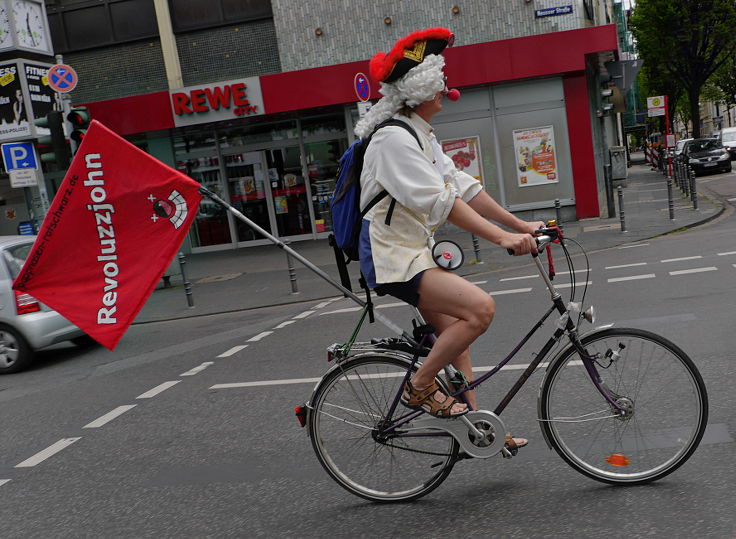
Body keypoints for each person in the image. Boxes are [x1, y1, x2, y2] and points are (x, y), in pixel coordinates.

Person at [355, 28, 543, 451]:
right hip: (391, 257)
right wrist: (501, 238)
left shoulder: (421, 133)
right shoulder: (391, 139)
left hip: (413, 252)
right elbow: (442, 201)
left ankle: (477, 432)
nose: (446, 88)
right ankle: (419, 387)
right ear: (419, 89)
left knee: (457, 342)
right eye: (438, 82)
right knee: (480, 310)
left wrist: (522, 225)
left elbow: (461, 185)